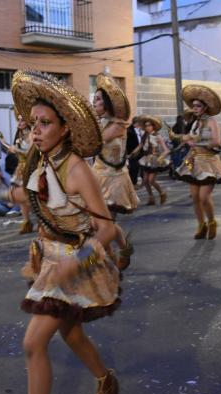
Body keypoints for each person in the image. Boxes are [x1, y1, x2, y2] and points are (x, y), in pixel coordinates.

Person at [0, 70, 120, 394]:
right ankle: (106, 380)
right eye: (33, 124)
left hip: (77, 261)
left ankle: (105, 381)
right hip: (49, 258)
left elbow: (107, 229)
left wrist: (75, 263)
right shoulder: (41, 161)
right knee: (72, 335)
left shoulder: (77, 169)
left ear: (65, 128)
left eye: (44, 123)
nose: (35, 131)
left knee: (33, 344)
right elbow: (36, 197)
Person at [92, 72, 138, 269]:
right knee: (97, 224)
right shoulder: (98, 123)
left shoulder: (118, 126)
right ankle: (122, 248)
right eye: (93, 99)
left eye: (98, 100)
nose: (94, 103)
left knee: (105, 224)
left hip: (114, 180)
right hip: (96, 177)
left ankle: (97, 259)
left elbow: (95, 142)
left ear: (108, 104)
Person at [173, 84, 221, 239]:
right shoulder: (195, 123)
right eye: (193, 105)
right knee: (195, 197)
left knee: (204, 197)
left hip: (209, 162)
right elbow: (189, 139)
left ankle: (212, 222)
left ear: (205, 107)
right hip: (194, 161)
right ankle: (201, 225)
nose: (194, 108)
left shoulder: (212, 122)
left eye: (198, 106)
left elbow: (217, 142)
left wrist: (195, 143)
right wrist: (184, 139)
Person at [131, 115, 170, 205]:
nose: (147, 127)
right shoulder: (145, 135)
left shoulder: (158, 136)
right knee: (145, 181)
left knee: (151, 180)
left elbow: (166, 150)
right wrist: (132, 153)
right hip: (146, 160)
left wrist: (160, 159)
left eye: (149, 125)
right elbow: (140, 145)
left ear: (153, 126)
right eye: (146, 125)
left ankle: (162, 193)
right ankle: (151, 197)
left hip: (154, 160)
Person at [12, 112, 34, 233]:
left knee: (32, 197)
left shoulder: (31, 135)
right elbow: (19, 154)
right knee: (21, 197)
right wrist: (15, 151)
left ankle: (43, 222)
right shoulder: (19, 134)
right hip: (20, 169)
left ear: (27, 121)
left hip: (30, 168)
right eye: (18, 120)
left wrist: (16, 149)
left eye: (22, 120)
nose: (19, 122)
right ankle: (26, 222)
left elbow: (30, 153)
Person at [126, 116, 143, 186]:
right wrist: (129, 153)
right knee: (133, 168)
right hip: (133, 152)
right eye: (140, 123)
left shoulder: (140, 129)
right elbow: (126, 143)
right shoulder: (129, 130)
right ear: (136, 123)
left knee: (142, 167)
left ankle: (143, 182)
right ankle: (133, 183)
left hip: (141, 152)